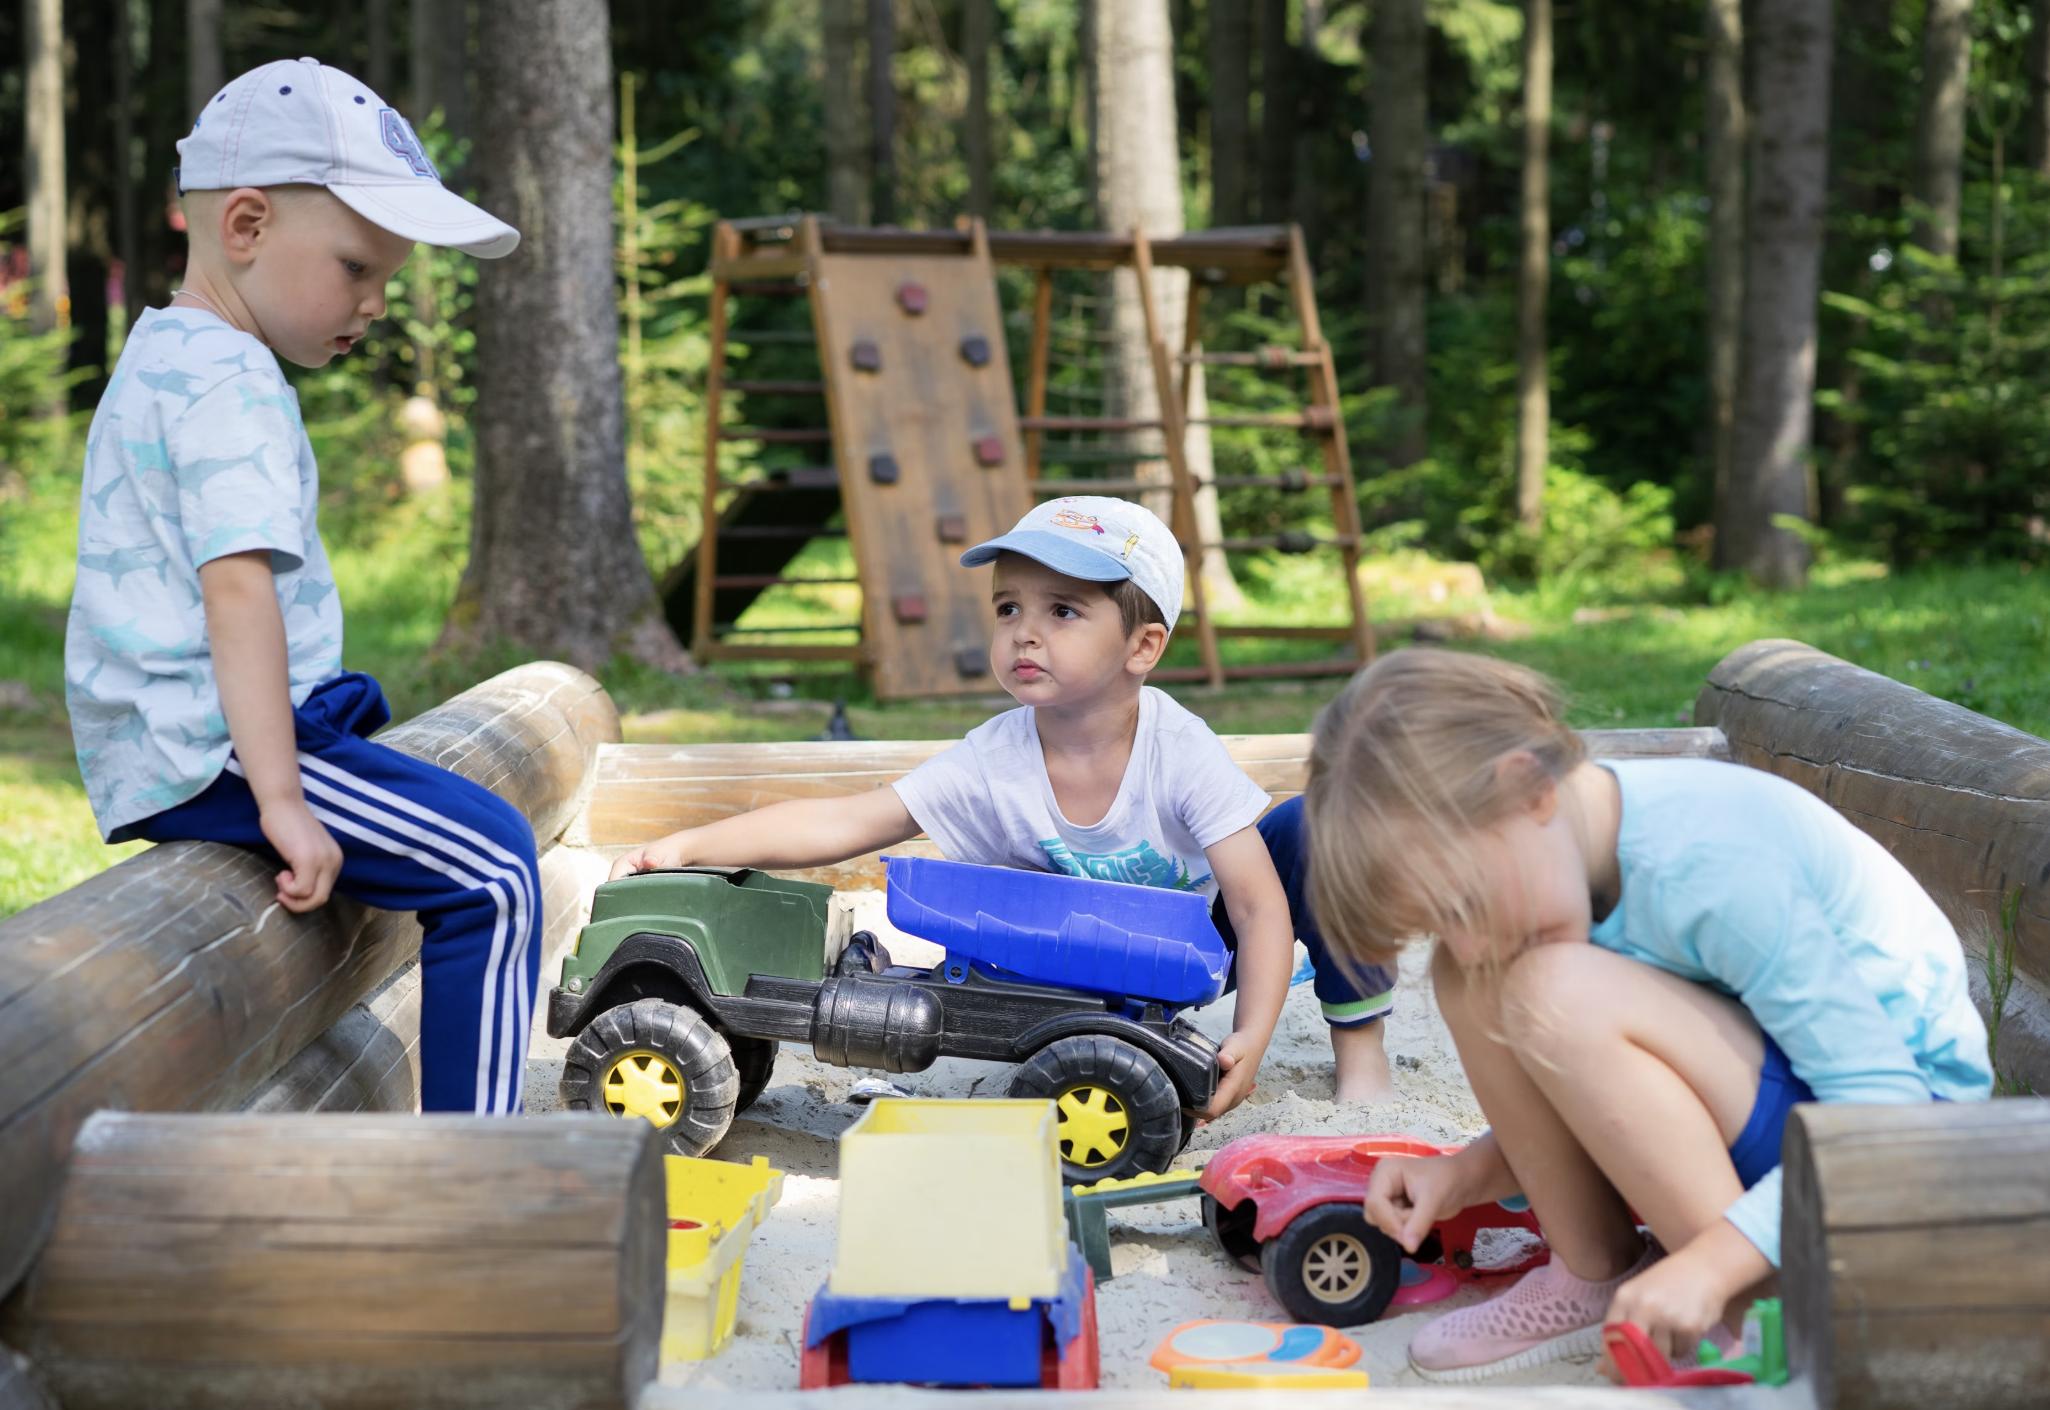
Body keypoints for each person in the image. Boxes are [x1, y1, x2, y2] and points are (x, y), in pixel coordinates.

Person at [1301, 650, 1990, 1382]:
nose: (1472, 940)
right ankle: (1591, 1273)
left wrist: (1711, 1265)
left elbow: (1890, 1117)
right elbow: (1620, 1089)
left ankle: (1752, 1314)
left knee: (1551, 988)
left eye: (1468, 904)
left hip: (1899, 1152)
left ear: (1529, 789)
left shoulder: (1708, 864)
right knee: (1472, 979)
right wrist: (1466, 1174)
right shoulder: (1562, 862)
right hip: (1786, 1128)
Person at [66, 58, 535, 1115]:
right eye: (358, 269)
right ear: (245, 226)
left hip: (184, 738)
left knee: (457, 834)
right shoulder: (231, 383)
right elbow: (237, 593)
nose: (373, 305)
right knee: (496, 871)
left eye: (388, 281)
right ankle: (485, 1179)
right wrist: (282, 798)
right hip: (220, 750)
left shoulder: (167, 354)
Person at [612, 495, 1382, 1117]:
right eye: (1008, 608)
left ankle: (1362, 1048)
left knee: (1320, 829)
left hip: (1185, 946)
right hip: (1064, 965)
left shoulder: (1178, 749)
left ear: (1142, 648)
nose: (1025, 633)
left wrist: (1252, 1034)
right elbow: (851, 820)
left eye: (1063, 612)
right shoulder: (995, 757)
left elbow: (1255, 908)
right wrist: (690, 845)